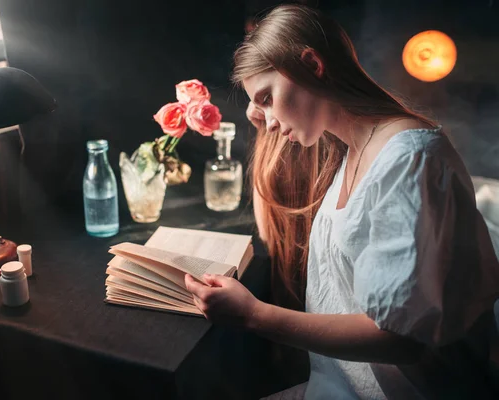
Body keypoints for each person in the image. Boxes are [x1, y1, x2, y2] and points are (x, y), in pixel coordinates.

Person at [184, 4, 499, 399]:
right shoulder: (354, 151)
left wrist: (254, 316)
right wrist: (263, 106)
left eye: (267, 97)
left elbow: (401, 340)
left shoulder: (409, 161)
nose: (265, 118)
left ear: (313, 64)